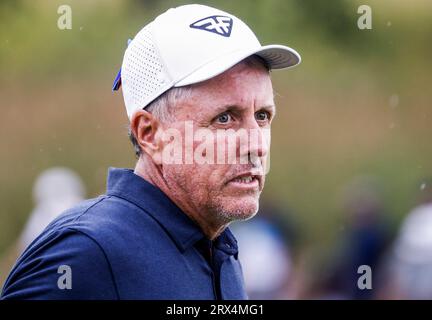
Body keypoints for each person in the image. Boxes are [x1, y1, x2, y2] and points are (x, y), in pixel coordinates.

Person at [1, 4, 300, 299]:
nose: (256, 145)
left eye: (262, 116)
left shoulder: (218, 248)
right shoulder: (86, 253)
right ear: (150, 134)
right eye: (224, 118)